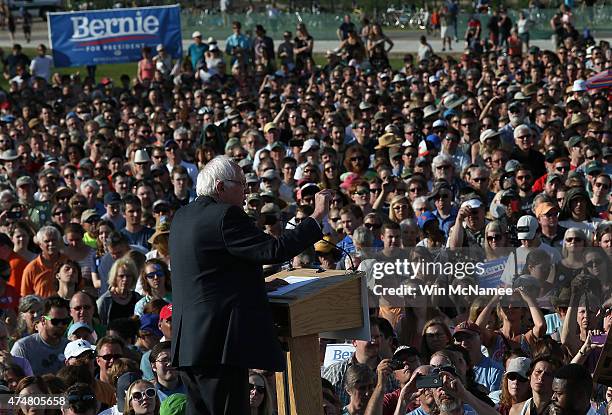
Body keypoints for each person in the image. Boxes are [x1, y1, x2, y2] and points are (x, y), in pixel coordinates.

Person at [169, 156, 331, 414]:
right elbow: (274, 249)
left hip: (190, 345)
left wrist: (253, 285)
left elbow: (209, 272)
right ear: (221, 187)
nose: (247, 191)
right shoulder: (225, 215)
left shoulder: (181, 217)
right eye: (242, 184)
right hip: (220, 346)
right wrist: (316, 217)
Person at [11, 296, 70, 375]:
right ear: (43, 320)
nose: (60, 325)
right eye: (55, 321)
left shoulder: (70, 347)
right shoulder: (23, 347)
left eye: (65, 321)